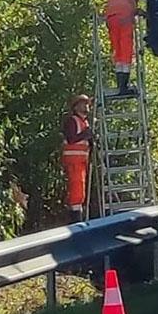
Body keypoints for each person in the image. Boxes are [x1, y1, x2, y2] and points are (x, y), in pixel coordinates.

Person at [105, 0, 147, 95]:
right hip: (124, 18)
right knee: (126, 51)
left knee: (118, 51)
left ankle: (120, 84)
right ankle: (124, 86)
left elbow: (122, 0)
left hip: (111, 18)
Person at [61, 94, 93, 223]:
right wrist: (86, 134)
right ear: (76, 106)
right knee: (76, 191)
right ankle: (75, 220)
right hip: (73, 161)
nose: (86, 106)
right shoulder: (73, 121)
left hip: (80, 161)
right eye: (83, 103)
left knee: (80, 191)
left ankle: (77, 217)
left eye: (87, 104)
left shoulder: (84, 122)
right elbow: (71, 138)